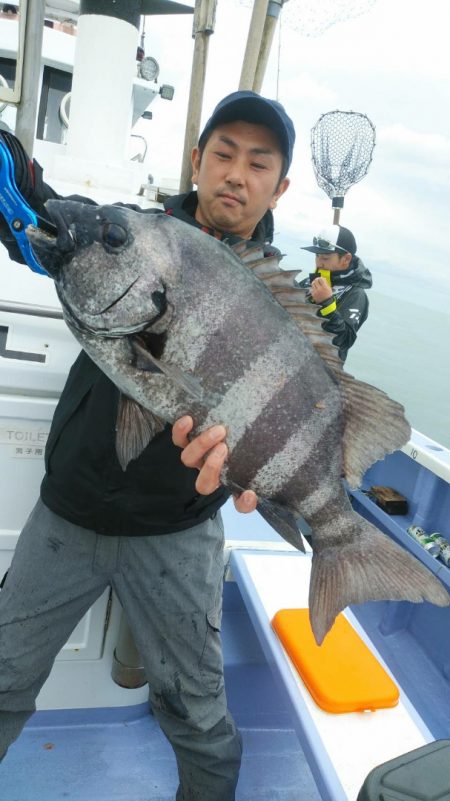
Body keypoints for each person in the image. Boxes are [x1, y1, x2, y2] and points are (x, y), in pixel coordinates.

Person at [0, 90, 294, 800]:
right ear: (196, 161)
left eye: (258, 163)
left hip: (179, 533)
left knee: (198, 712)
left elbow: (304, 394)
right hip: (66, 517)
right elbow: (45, 218)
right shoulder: (128, 237)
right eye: (222, 153)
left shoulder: (284, 304)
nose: (236, 173)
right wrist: (16, 167)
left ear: (280, 185)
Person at [298, 223, 372, 361]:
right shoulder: (309, 282)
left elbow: (343, 341)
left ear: (346, 259)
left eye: (325, 258)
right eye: (317, 256)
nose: (319, 263)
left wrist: (327, 304)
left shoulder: (357, 295)